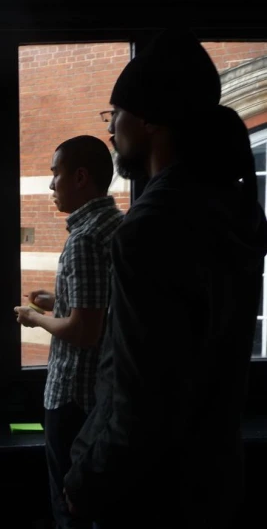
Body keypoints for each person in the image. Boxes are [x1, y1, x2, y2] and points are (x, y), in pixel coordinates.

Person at [63, 30, 267, 529]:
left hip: (148, 496)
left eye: (114, 115)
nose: (111, 130)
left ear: (149, 119)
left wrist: (86, 478)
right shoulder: (233, 206)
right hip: (212, 481)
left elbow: (140, 397)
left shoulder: (151, 226)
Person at [15, 136, 123, 529]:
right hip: (101, 395)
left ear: (80, 177)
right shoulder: (117, 224)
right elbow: (102, 306)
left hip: (73, 398)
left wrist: (33, 317)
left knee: (69, 510)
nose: (50, 185)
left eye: (55, 173)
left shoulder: (84, 239)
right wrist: (56, 300)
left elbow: (83, 332)